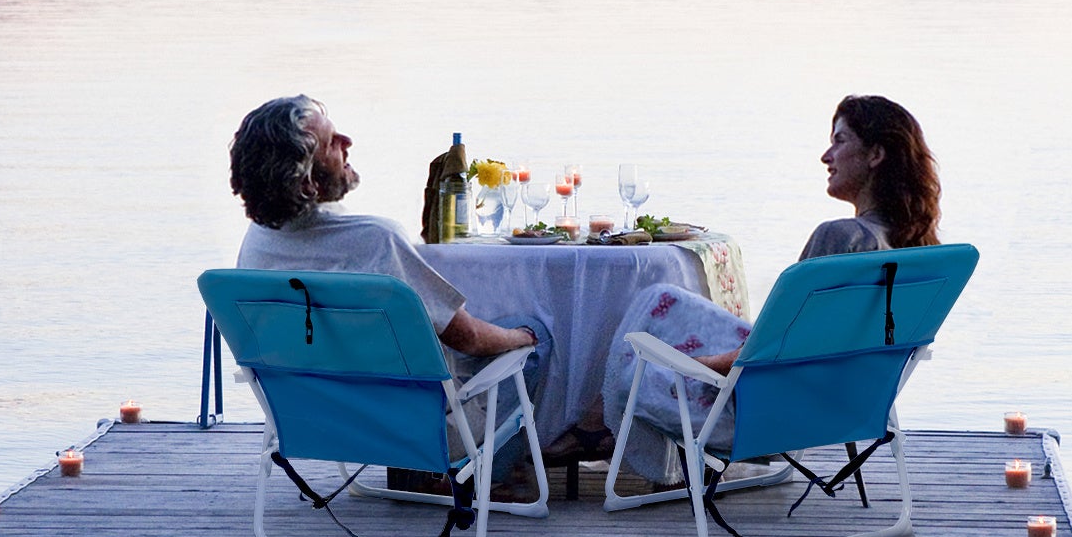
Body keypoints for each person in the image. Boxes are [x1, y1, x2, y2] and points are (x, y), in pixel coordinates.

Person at [603, 95, 942, 480]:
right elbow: (801, 343)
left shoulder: (843, 239)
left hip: (769, 416)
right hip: (843, 407)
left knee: (633, 370)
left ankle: (596, 432)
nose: (826, 156)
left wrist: (697, 366)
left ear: (876, 154)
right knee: (665, 300)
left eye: (840, 141)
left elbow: (780, 350)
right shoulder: (916, 252)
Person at [228, 95, 550, 487]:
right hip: (412, 428)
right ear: (308, 181)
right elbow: (468, 337)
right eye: (332, 142)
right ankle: (486, 478)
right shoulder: (375, 241)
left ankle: (419, 474)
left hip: (315, 424)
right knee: (531, 339)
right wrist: (522, 338)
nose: (347, 141)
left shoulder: (256, 243)